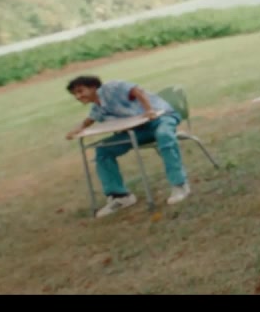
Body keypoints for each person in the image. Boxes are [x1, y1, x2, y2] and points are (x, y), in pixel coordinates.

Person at [64, 75, 190, 217]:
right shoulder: (98, 107)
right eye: (75, 94)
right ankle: (120, 196)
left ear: (93, 87)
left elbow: (137, 91)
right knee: (103, 150)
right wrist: (78, 129)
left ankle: (179, 184)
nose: (78, 96)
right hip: (140, 130)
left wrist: (149, 110)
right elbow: (90, 120)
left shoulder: (111, 87)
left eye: (80, 91)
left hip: (161, 118)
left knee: (164, 135)